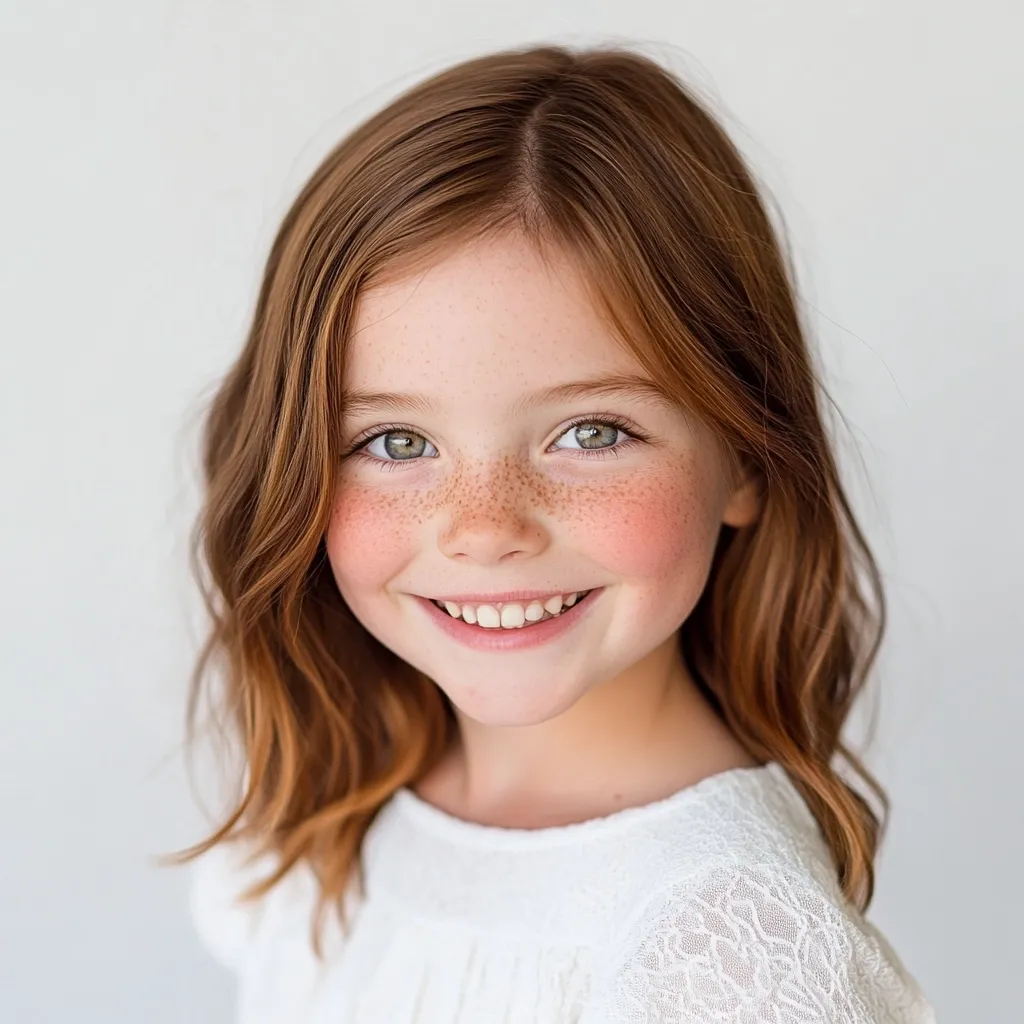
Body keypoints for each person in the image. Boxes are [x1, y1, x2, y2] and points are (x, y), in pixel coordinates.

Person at [174, 43, 937, 1023]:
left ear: (747, 457)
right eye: (397, 441)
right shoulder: (324, 825)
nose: (485, 529)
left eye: (591, 433)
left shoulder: (729, 961)